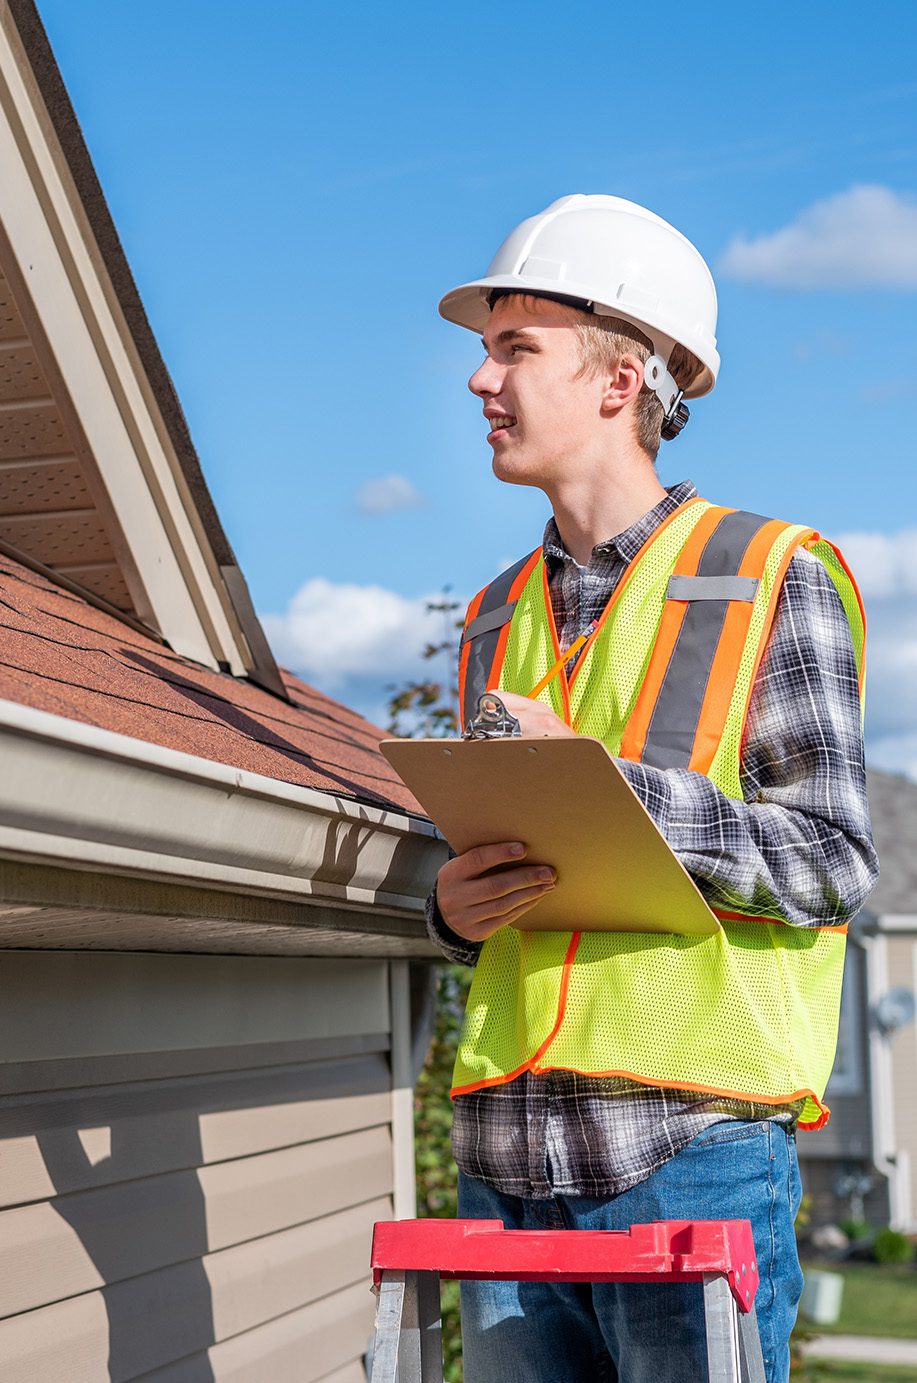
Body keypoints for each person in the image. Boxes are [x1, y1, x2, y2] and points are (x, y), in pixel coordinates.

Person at [425, 195, 878, 1383]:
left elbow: (831, 860)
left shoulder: (766, 574)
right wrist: (450, 911)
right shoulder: (488, 620)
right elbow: (509, 879)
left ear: (621, 381)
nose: (479, 380)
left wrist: (601, 785)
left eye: (513, 349)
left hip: (686, 1152)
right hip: (505, 1160)